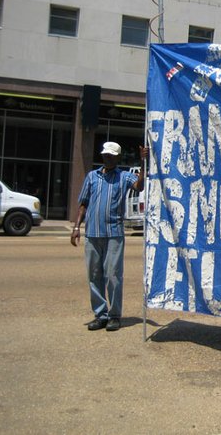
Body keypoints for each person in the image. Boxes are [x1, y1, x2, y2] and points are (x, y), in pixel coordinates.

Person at [71, 141, 148, 332]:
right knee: (94, 275)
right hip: (92, 234)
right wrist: (76, 227)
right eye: (105, 154)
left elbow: (139, 186)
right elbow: (83, 203)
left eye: (111, 155)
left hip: (113, 234)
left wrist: (143, 162)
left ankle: (114, 315)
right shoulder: (92, 177)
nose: (107, 158)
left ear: (118, 157)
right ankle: (100, 314)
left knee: (113, 276)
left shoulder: (124, 177)